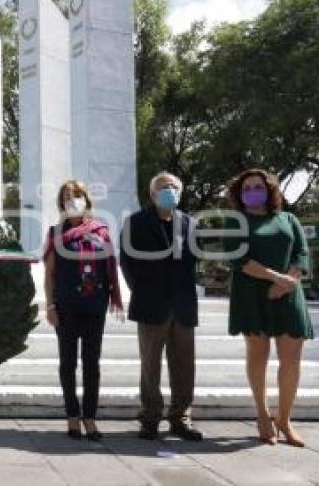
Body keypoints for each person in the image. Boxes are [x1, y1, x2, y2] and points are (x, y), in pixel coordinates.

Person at [223, 168, 312, 447]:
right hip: (251, 295)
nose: (252, 191)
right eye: (246, 188)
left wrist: (289, 281)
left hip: (288, 295)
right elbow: (240, 260)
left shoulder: (288, 219)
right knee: (258, 356)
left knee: (291, 360)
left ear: (270, 189)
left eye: (257, 186)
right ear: (240, 194)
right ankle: (262, 415)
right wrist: (276, 278)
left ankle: (284, 419)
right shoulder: (235, 222)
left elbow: (301, 252)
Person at [120, 171, 203, 441]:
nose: (170, 191)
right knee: (150, 366)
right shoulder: (135, 222)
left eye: (174, 187)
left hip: (183, 306)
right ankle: (150, 418)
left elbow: (195, 260)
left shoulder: (190, 223)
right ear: (153, 194)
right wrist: (142, 291)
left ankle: (181, 417)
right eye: (164, 187)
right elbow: (127, 262)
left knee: (184, 365)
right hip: (150, 304)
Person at [43, 180, 123, 440]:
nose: (72, 200)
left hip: (94, 306)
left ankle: (89, 418)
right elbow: (50, 274)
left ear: (86, 199)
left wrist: (113, 296)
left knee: (92, 364)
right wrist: (50, 305)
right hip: (65, 307)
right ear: (61, 203)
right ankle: (72, 417)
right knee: (67, 364)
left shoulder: (101, 230)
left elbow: (109, 266)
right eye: (66, 196)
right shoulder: (55, 233)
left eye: (76, 195)